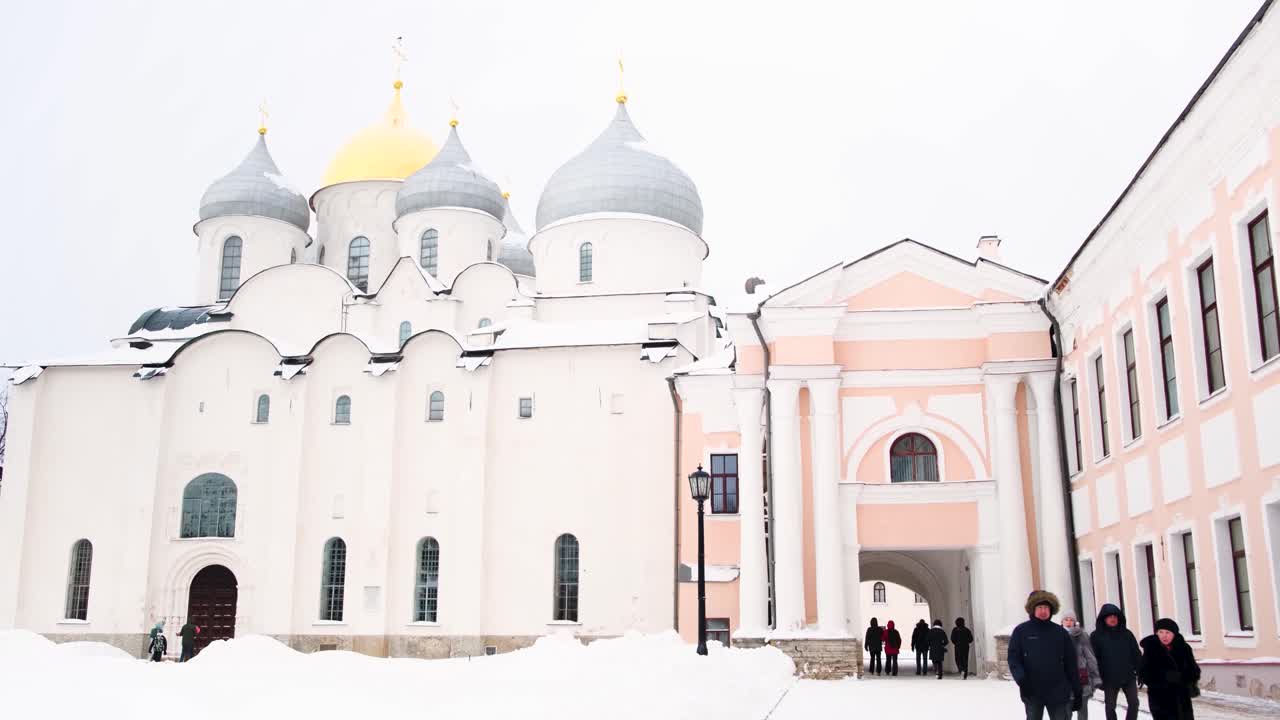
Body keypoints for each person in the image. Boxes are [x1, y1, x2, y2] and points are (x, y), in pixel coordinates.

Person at [1008, 590, 1079, 720]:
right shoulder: (1021, 631)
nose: (1043, 611)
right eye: (1040, 607)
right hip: (1032, 690)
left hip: (1058, 691)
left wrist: (1076, 689)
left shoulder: (1060, 633)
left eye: (1046, 607)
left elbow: (1071, 662)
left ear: (1051, 610)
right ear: (1033, 610)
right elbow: (1014, 659)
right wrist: (1022, 680)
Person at [1138, 618, 1200, 720]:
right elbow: (1144, 673)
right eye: (1160, 632)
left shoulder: (1184, 648)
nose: (1164, 636)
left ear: (1174, 634)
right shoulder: (1151, 649)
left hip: (1181, 698)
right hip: (1160, 698)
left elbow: (1194, 671)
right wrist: (1164, 677)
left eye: (1168, 632)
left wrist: (1183, 677)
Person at [1090, 604, 1140, 720]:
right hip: (1108, 678)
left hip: (1128, 676)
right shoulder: (1096, 636)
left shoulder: (1127, 634)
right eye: (1109, 617)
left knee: (1134, 703)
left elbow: (1136, 654)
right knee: (1110, 706)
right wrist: (1097, 677)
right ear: (1104, 619)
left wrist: (1140, 671)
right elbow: (1093, 659)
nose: (1113, 619)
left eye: (1115, 616)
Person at [1063, 614, 1102, 720]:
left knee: (1083, 710)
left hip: (1082, 677)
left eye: (1071, 620)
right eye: (1066, 619)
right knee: (1066, 713)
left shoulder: (1082, 635)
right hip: (1065, 679)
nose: (1068, 622)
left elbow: (1090, 657)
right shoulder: (1057, 635)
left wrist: (1095, 677)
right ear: (1062, 622)